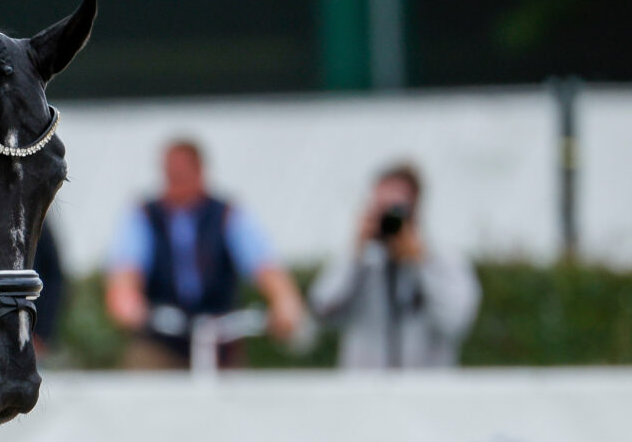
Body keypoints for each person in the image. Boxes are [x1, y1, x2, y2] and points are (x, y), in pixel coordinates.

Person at [103, 139, 304, 369]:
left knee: (237, 397)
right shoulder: (144, 216)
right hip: (162, 339)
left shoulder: (228, 214)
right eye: (171, 173)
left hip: (220, 336)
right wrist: (127, 301)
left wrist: (284, 301)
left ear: (199, 170)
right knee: (143, 381)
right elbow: (125, 271)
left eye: (182, 173)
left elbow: (264, 264)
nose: (175, 181)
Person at [309, 162, 480, 370]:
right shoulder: (360, 262)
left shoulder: (444, 262)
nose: (389, 219)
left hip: (427, 395)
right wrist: (355, 253)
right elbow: (322, 309)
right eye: (381, 209)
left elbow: (455, 322)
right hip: (363, 394)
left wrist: (421, 263)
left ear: (416, 210)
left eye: (396, 210)